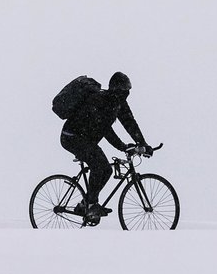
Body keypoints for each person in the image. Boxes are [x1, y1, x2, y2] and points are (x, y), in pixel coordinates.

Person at [59, 71, 152, 219]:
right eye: (124, 91)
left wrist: (143, 143)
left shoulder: (118, 103)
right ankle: (91, 205)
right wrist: (123, 146)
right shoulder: (99, 100)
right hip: (72, 137)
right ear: (116, 90)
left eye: (128, 91)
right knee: (98, 165)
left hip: (86, 139)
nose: (126, 94)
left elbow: (130, 123)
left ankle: (85, 204)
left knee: (107, 170)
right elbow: (105, 130)